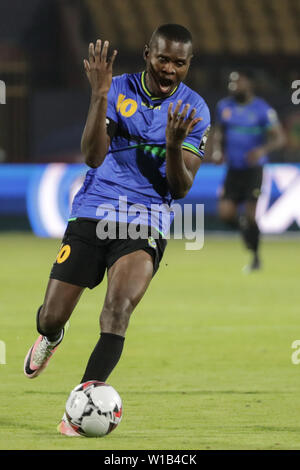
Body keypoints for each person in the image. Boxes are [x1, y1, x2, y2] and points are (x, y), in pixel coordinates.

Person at [23, 24, 210, 435]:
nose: (170, 69)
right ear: (147, 54)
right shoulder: (118, 89)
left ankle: (81, 405)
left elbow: (178, 189)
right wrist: (99, 94)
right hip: (94, 211)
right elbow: (92, 157)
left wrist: (175, 144)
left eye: (180, 63)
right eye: (163, 59)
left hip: (146, 218)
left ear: (188, 64)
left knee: (117, 310)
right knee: (50, 317)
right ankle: (52, 337)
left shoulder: (194, 110)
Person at [212, 69, 285, 271]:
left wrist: (261, 149)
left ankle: (255, 256)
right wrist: (218, 151)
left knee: (251, 215)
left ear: (249, 84)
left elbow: (279, 138)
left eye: (238, 82)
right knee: (226, 213)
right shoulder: (224, 107)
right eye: (231, 82)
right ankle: (246, 231)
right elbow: (219, 132)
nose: (233, 86)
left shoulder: (261, 109)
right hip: (233, 169)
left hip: (253, 169)